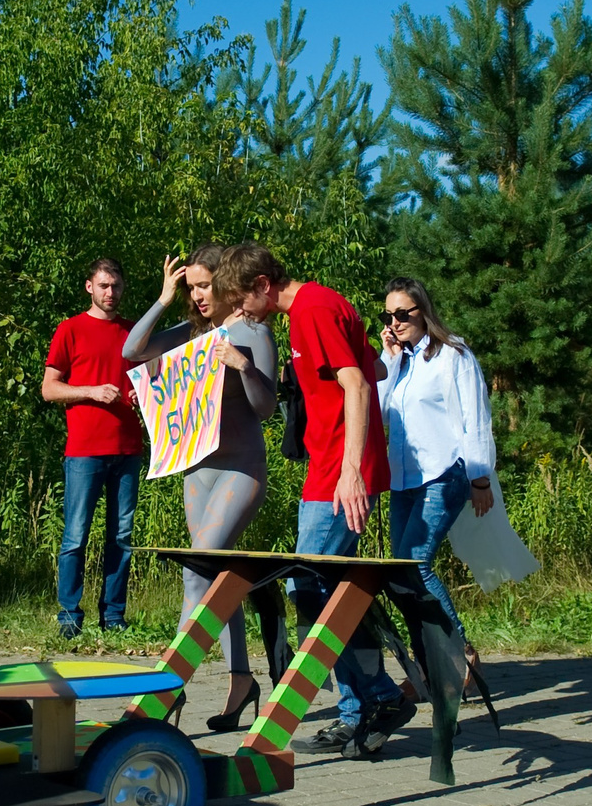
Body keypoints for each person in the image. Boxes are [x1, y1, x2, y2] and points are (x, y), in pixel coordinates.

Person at [210, 242, 407, 759]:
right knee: (329, 587)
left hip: (339, 473)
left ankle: (380, 698)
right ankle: (358, 710)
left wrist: (351, 474)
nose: (238, 313)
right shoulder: (321, 306)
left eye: (240, 301)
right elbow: (374, 368)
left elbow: (360, 386)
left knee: (309, 584)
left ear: (262, 285)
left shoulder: (313, 310)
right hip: (327, 465)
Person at [125, 246, 277, 731]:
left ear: (226, 284)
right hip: (199, 467)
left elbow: (266, 406)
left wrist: (243, 366)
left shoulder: (253, 330)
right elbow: (132, 351)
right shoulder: (195, 333)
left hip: (241, 465)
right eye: (190, 287)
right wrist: (164, 298)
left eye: (203, 285)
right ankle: (240, 681)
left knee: (198, 570)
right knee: (214, 573)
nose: (197, 294)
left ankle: (169, 684)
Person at [375, 277, 496, 652]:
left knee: (415, 566)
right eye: (387, 315)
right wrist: (390, 362)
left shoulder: (453, 354)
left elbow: (475, 417)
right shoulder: (397, 361)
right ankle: (431, 663)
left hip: (444, 474)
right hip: (403, 479)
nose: (394, 322)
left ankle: (459, 656)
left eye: (402, 313)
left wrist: (479, 478)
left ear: (423, 312)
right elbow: (377, 411)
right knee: (399, 575)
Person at [42, 259, 144, 639]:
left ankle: (114, 617)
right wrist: (91, 391)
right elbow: (50, 388)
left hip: (128, 448)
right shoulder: (71, 329)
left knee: (121, 536)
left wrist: (142, 393)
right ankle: (69, 616)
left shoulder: (134, 333)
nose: (110, 293)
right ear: (89, 286)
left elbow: (152, 380)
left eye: (116, 286)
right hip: (85, 450)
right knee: (75, 535)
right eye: (103, 286)